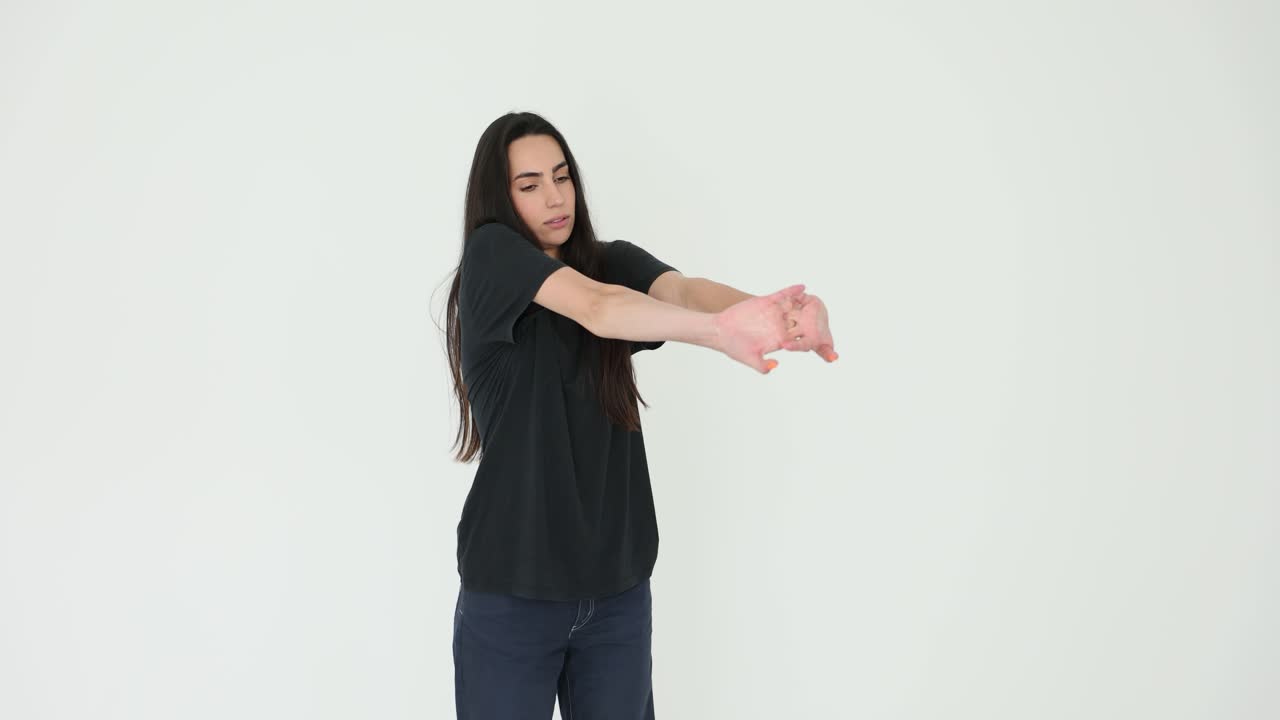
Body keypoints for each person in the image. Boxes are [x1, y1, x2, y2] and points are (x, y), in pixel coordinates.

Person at [441, 111, 837, 719]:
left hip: (616, 595)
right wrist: (717, 334)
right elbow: (600, 309)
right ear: (501, 197)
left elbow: (681, 291)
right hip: (513, 594)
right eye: (529, 185)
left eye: (562, 177)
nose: (554, 197)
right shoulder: (493, 256)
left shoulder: (609, 261)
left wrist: (778, 317)